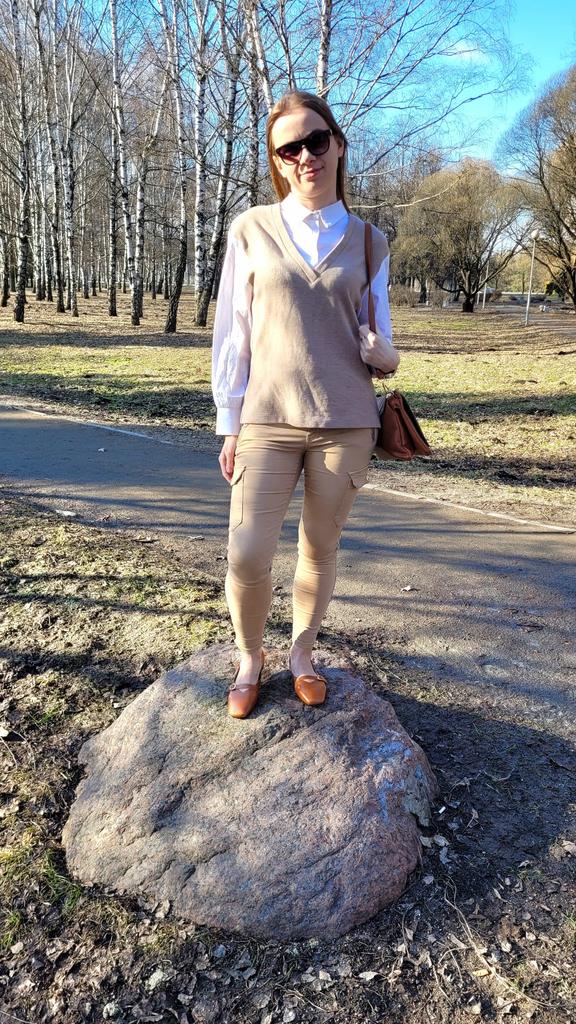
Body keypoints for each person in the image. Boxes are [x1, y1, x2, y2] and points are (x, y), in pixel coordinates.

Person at [211, 89, 400, 719]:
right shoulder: (251, 229)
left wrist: (386, 355)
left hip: (346, 423)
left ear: (338, 144)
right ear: (277, 161)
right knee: (247, 550)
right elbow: (233, 334)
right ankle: (249, 657)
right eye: (288, 149)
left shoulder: (370, 242)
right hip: (265, 419)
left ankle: (301, 653)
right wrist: (229, 423)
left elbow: (384, 343)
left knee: (319, 547)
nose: (304, 156)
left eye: (315, 140)